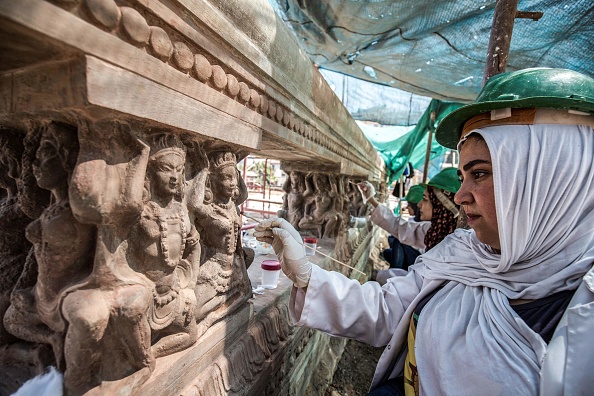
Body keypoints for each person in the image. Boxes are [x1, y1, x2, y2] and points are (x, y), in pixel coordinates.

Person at [254, 67, 594, 395]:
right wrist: (307, 276)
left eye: (481, 174)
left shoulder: (582, 318)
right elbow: (390, 309)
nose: (461, 196)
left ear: (553, 181)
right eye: (462, 177)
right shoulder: (461, 252)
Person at [359, 168, 460, 282]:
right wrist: (371, 199)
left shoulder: (455, 247)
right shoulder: (436, 231)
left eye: (425, 199)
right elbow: (401, 228)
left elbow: (421, 285)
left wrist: (380, 276)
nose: (419, 204)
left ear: (441, 205)